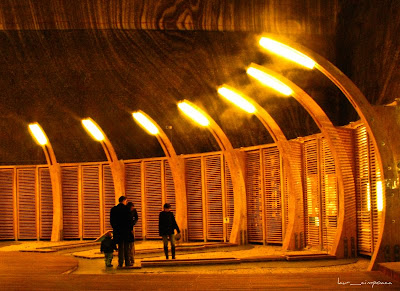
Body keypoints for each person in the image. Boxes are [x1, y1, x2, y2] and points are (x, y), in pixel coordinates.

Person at [110, 196, 132, 267]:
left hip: (118, 231)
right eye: (126, 201)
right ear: (124, 200)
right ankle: (127, 262)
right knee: (126, 247)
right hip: (126, 231)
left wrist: (115, 228)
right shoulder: (127, 209)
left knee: (120, 247)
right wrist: (130, 229)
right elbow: (129, 220)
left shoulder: (114, 209)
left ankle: (120, 262)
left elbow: (112, 221)